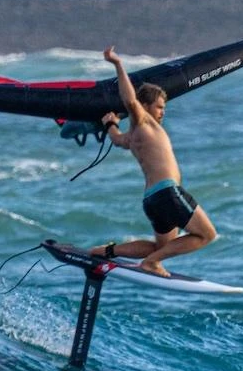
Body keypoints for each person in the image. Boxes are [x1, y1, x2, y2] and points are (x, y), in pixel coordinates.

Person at [89, 46, 217, 277]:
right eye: (159, 107)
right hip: (168, 193)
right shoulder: (144, 123)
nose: (162, 112)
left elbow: (116, 139)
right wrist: (118, 64)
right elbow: (130, 100)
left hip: (152, 199)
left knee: (161, 246)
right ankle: (151, 262)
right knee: (207, 235)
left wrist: (110, 124)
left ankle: (106, 251)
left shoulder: (133, 137)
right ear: (145, 107)